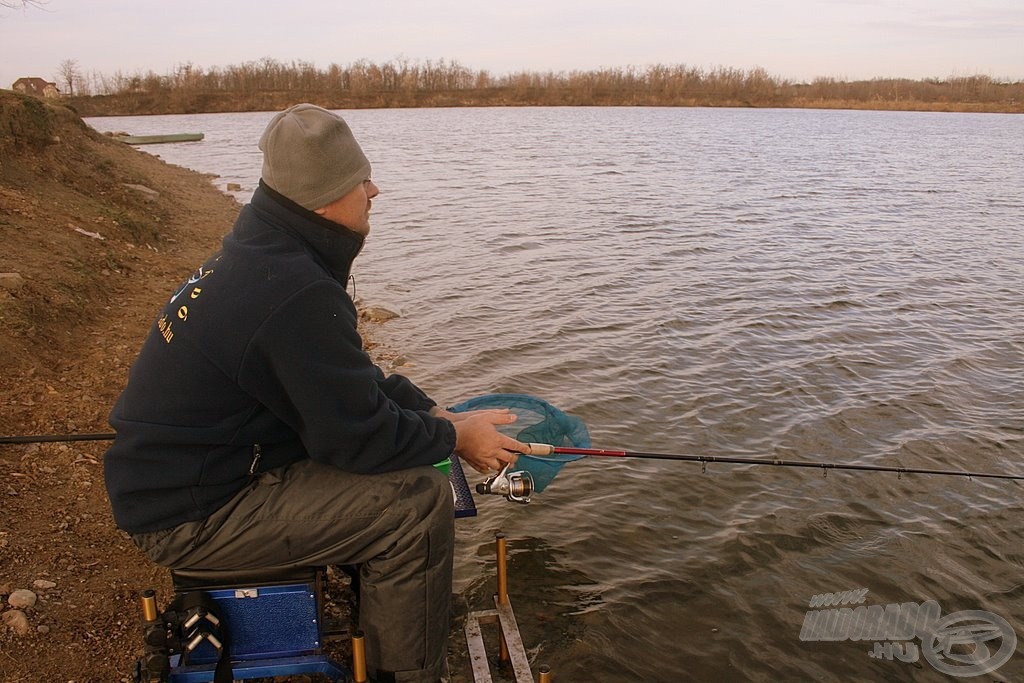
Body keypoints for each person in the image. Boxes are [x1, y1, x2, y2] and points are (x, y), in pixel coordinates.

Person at [103, 103, 525, 683]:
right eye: (360, 181)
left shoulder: (262, 250)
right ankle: (407, 674)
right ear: (325, 199)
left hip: (182, 477)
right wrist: (454, 438)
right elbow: (359, 439)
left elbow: (347, 381)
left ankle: (375, 602)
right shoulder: (294, 290)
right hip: (189, 514)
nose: (374, 189)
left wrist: (431, 413)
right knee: (420, 502)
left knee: (408, 458)